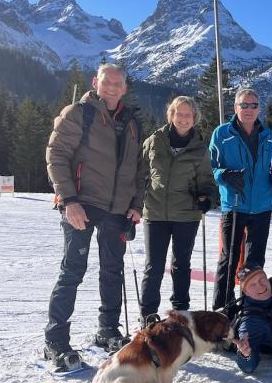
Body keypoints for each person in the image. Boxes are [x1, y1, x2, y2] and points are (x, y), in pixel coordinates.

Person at [44, 63, 145, 366]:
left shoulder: (131, 122)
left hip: (118, 209)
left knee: (112, 271)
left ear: (125, 87)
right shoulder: (79, 112)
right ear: (96, 82)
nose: (112, 87)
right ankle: (55, 341)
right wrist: (68, 199)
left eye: (118, 83)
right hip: (82, 203)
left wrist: (136, 205)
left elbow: (139, 170)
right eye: (107, 82)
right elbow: (56, 154)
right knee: (73, 270)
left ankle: (108, 331)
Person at [139, 96, 217, 323]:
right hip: (155, 212)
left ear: (195, 118)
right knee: (153, 265)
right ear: (171, 115)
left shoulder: (199, 149)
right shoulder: (155, 141)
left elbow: (208, 182)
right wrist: (134, 202)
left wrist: (207, 199)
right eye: (179, 114)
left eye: (188, 115)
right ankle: (148, 315)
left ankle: (180, 311)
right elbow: (139, 172)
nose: (183, 119)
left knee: (181, 264)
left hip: (186, 214)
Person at [210, 88, 272, 314]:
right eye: (244, 105)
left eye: (254, 105)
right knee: (230, 258)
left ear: (259, 109)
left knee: (255, 261)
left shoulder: (268, 134)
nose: (249, 109)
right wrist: (224, 175)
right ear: (235, 108)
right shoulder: (222, 134)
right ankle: (223, 307)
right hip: (234, 204)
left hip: (262, 206)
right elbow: (211, 167)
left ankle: (251, 305)